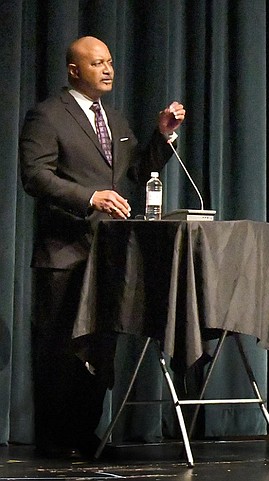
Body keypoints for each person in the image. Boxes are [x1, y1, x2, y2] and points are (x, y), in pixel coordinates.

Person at [19, 36, 185, 459]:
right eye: (98, 63)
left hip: (109, 254)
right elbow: (35, 176)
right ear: (75, 70)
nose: (108, 69)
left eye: (110, 62)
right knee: (62, 349)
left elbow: (136, 170)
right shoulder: (47, 115)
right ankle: (56, 439)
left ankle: (85, 433)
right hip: (65, 254)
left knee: (99, 349)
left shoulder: (113, 117)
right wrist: (89, 197)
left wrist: (162, 137)